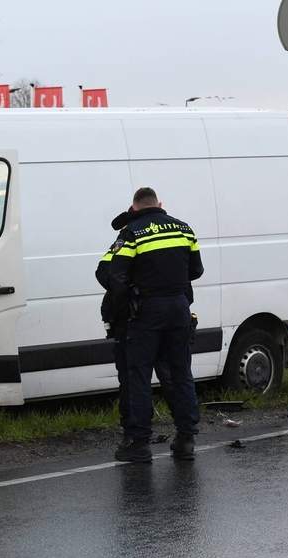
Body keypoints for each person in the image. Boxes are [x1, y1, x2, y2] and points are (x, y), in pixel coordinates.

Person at [108, 187, 203, 463]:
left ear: (134, 208)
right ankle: (186, 440)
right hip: (179, 308)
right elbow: (196, 270)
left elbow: (116, 274)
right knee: (181, 373)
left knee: (139, 375)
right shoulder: (183, 228)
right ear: (160, 204)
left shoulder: (132, 232)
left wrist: (125, 306)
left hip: (147, 311)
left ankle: (139, 443)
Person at [96, 208, 177, 435]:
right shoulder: (173, 231)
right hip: (165, 318)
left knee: (135, 380)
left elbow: (105, 272)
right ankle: (185, 434)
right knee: (169, 378)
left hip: (136, 321)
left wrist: (128, 294)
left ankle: (136, 437)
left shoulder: (130, 234)